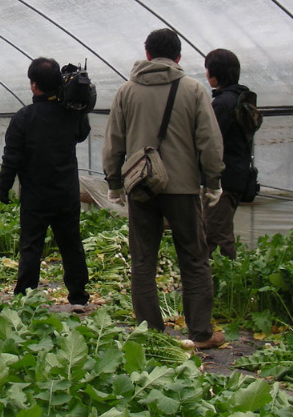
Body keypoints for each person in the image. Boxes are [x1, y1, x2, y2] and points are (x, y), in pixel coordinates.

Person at [102, 28, 226, 349]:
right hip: (182, 188)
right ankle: (200, 333)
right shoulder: (194, 90)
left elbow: (113, 141)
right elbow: (209, 141)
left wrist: (115, 182)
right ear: (178, 57)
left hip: (140, 186)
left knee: (143, 259)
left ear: (146, 55)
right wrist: (213, 180)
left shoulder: (126, 92)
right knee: (194, 259)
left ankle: (150, 332)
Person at [0, 57, 91, 307]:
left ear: (33, 84)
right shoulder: (70, 112)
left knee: (31, 245)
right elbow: (82, 134)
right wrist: (79, 110)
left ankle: (26, 297)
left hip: (36, 196)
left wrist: (4, 187)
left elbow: (12, 157)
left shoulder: (24, 117)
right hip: (66, 192)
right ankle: (79, 297)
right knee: (71, 244)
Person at [203, 49, 254, 260]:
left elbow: (210, 141)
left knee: (218, 233)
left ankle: (228, 279)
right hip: (238, 175)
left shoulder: (223, 104)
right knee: (213, 229)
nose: (206, 74)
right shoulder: (242, 98)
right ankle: (207, 279)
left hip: (224, 179)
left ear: (215, 74)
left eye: (207, 70)